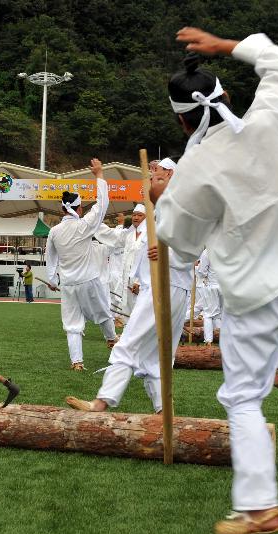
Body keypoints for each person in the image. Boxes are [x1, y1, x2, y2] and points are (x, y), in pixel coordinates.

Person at [156, 29, 278, 534]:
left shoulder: (194, 170)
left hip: (262, 295)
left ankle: (259, 507)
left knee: (240, 398)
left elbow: (178, 240)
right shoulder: (269, 120)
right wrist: (228, 45)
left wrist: (158, 200)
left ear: (180, 119)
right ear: (228, 96)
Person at [66, 162, 194, 412]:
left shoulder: (180, 207)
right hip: (155, 286)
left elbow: (193, 246)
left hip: (165, 287)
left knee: (127, 345)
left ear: (170, 175)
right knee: (155, 357)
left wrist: (169, 254)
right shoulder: (155, 215)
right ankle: (163, 410)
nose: (150, 179)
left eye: (156, 175)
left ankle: (101, 403)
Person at [45, 158, 118, 371]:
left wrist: (51, 279)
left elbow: (50, 257)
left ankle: (77, 362)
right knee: (104, 313)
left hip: (68, 283)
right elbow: (102, 205)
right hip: (89, 280)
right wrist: (99, 176)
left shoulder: (54, 231)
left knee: (72, 324)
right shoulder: (84, 226)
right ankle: (112, 339)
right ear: (79, 207)